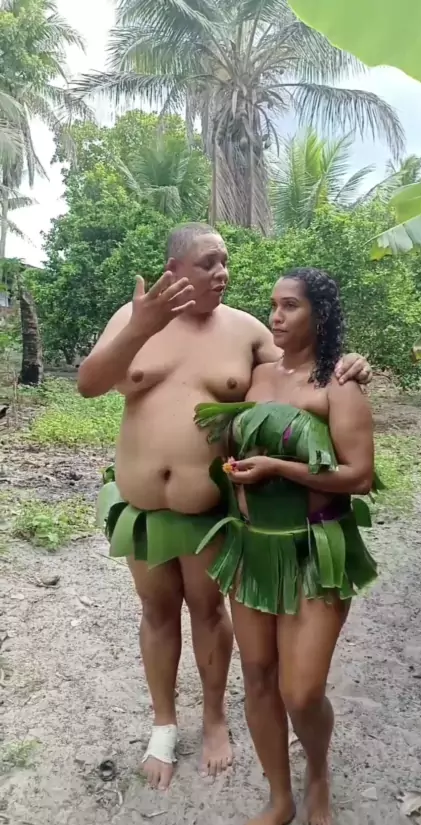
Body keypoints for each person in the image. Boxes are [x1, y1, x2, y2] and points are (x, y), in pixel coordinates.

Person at [78, 224, 372, 794]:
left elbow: (307, 366)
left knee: (208, 613)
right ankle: (164, 726)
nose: (222, 273)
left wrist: (354, 363)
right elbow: (89, 384)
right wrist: (140, 326)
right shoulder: (131, 318)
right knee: (156, 613)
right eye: (209, 262)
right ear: (174, 269)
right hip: (143, 507)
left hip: (211, 508)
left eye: (225, 262)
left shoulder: (246, 330)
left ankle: (214, 718)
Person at [194, 267, 376, 825]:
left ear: (319, 315)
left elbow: (359, 475)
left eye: (291, 305)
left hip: (313, 548)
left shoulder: (339, 382)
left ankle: (317, 772)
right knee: (258, 678)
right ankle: (280, 797)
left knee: (301, 691)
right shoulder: (258, 375)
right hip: (253, 547)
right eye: (273, 304)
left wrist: (279, 468)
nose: (276, 315)